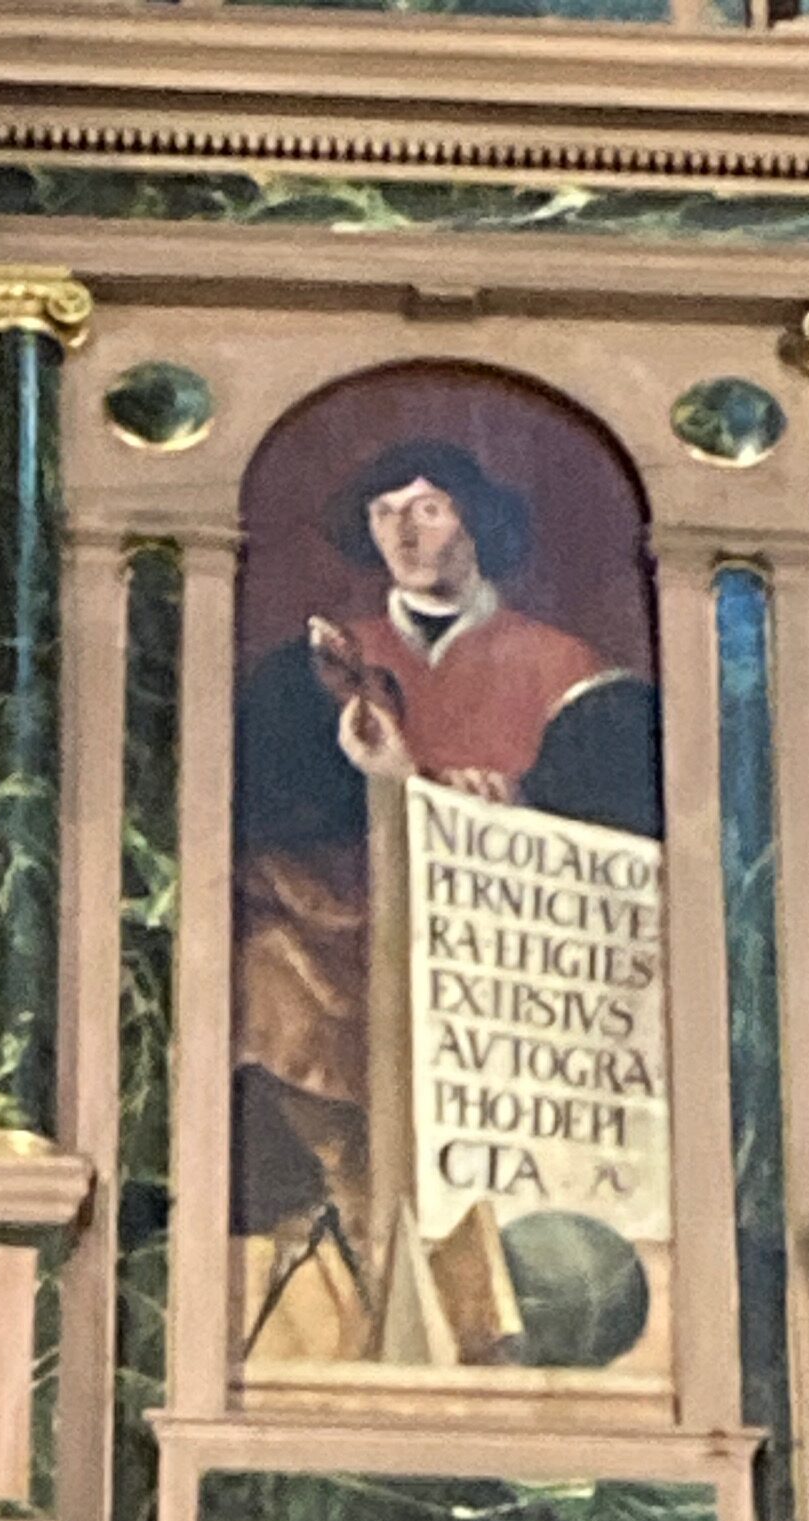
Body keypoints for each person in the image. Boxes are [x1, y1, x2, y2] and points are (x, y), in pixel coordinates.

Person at [231, 438, 660, 1354]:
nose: (406, 533)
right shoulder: (339, 658)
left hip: (508, 935)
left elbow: (613, 827)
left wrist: (520, 803)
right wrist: (381, 779)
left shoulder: (559, 665)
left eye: (428, 508)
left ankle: (487, 1291)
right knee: (269, 973)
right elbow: (288, 805)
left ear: (473, 520)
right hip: (356, 916)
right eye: (386, 514)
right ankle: (356, 1231)